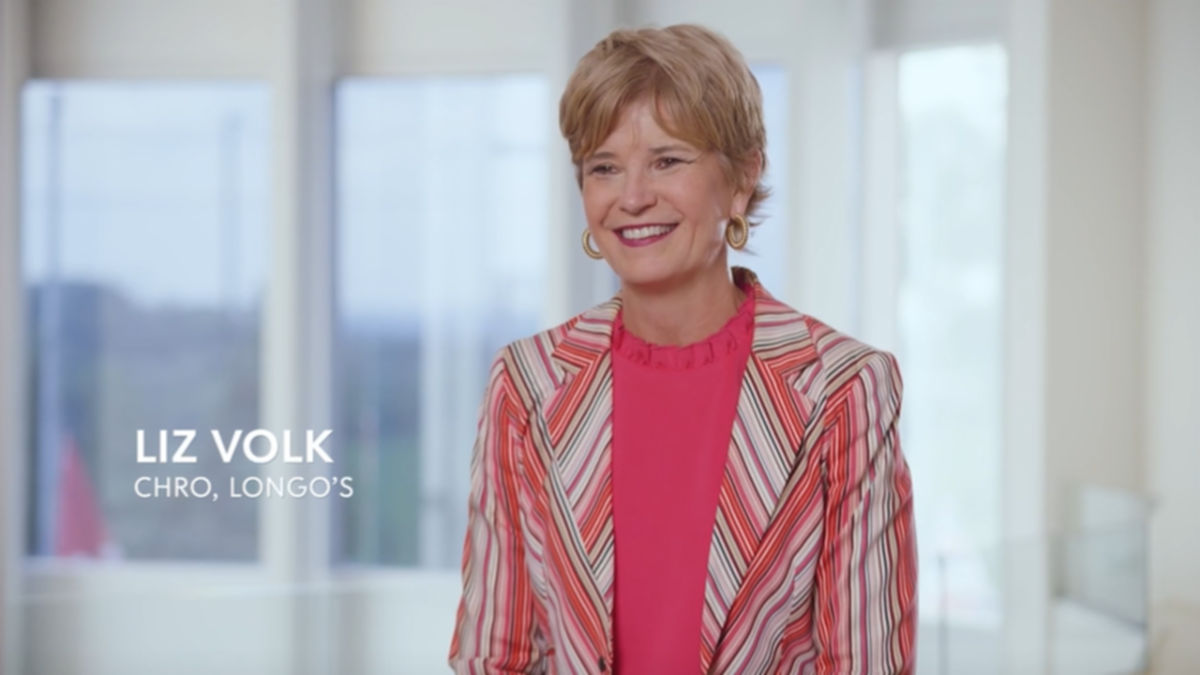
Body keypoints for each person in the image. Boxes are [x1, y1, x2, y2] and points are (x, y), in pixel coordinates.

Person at [449, 24, 916, 675]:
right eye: (604, 167)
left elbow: (865, 662)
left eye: (667, 160)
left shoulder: (844, 388)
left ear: (743, 177)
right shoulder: (525, 383)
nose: (633, 196)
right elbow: (495, 654)